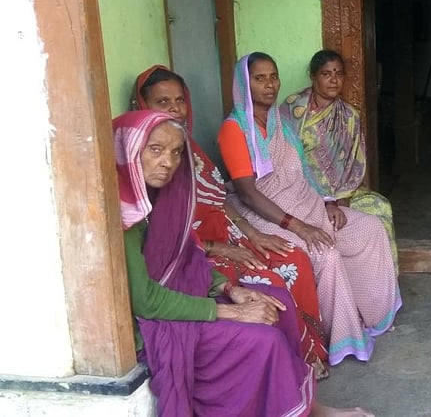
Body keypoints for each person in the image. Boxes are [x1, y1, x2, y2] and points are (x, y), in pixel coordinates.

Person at [113, 109, 372, 417]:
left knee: (278, 304)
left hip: (181, 296)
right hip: (155, 325)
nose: (168, 162)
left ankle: (305, 407)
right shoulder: (122, 217)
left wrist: (230, 288)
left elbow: (187, 258)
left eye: (176, 152)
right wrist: (232, 311)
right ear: (128, 151)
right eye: (155, 150)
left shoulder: (160, 200)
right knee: (263, 339)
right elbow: (146, 302)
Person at [131, 65, 329, 379]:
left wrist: (252, 234)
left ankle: (310, 351)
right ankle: (292, 365)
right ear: (141, 106)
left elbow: (219, 199)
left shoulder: (188, 150)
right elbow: (160, 239)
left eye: (179, 101)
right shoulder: (147, 162)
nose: (174, 109)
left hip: (227, 232)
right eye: (163, 102)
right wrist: (216, 247)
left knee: (294, 257)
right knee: (272, 281)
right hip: (196, 252)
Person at [218, 52, 401, 366]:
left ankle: (371, 315)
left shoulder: (282, 121)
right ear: (244, 84)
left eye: (273, 76)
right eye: (259, 78)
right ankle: (339, 336)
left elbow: (304, 171)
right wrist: (300, 227)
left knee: (369, 228)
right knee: (325, 252)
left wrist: (328, 203)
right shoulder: (234, 129)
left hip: (306, 204)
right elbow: (248, 194)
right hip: (267, 215)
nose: (269, 84)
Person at [281, 50, 398, 268]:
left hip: (341, 192)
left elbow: (355, 163)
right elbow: (282, 156)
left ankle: (381, 287)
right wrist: (321, 200)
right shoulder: (292, 108)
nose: (334, 80)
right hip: (300, 191)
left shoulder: (349, 115)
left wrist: (339, 199)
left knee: (380, 207)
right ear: (313, 76)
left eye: (339, 74)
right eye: (327, 74)